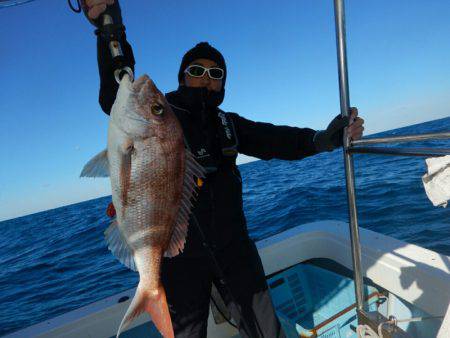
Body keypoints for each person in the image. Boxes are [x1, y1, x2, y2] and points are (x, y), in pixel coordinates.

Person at [84, 1, 365, 337]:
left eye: (215, 73)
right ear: (182, 76)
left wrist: (322, 139)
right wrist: (109, 27)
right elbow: (116, 90)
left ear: (223, 83)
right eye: (196, 70)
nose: (206, 79)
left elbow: (275, 139)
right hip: (178, 258)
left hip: (236, 250)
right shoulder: (162, 114)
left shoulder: (227, 123)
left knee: (267, 331)